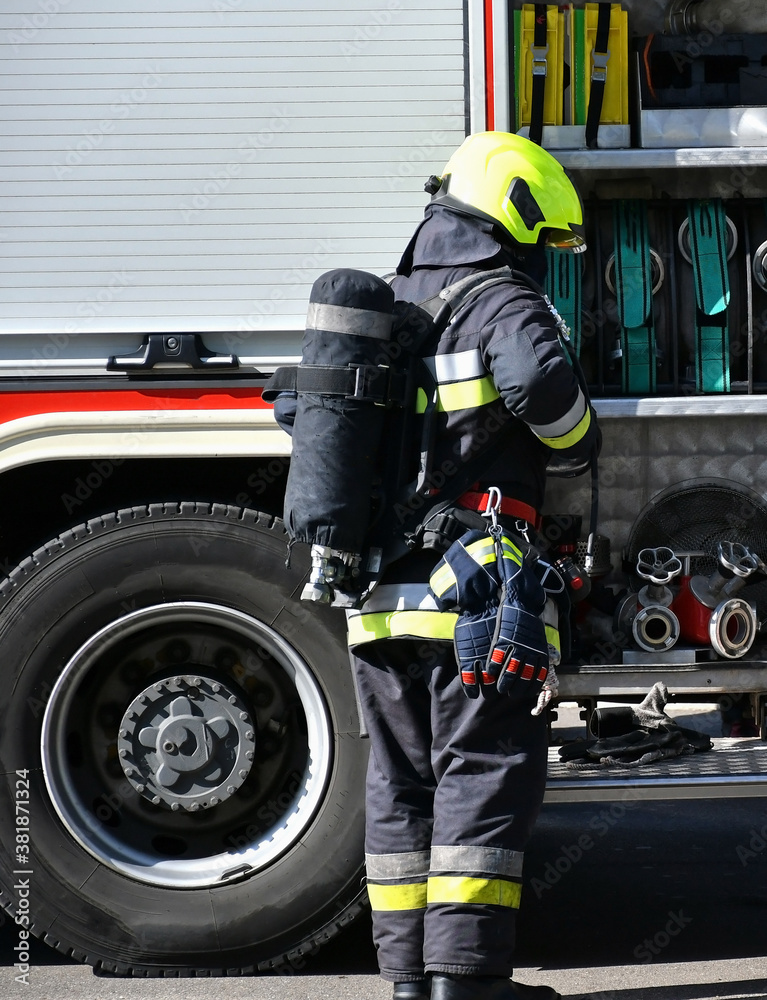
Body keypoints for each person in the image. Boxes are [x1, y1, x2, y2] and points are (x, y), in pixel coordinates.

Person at [346, 132, 600, 1000]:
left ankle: (407, 984)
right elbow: (543, 395)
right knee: (481, 778)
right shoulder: (499, 298)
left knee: (400, 787)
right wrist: (580, 437)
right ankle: (468, 984)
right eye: (543, 237)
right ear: (514, 215)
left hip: (378, 599)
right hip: (473, 596)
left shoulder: (384, 307)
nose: (542, 255)